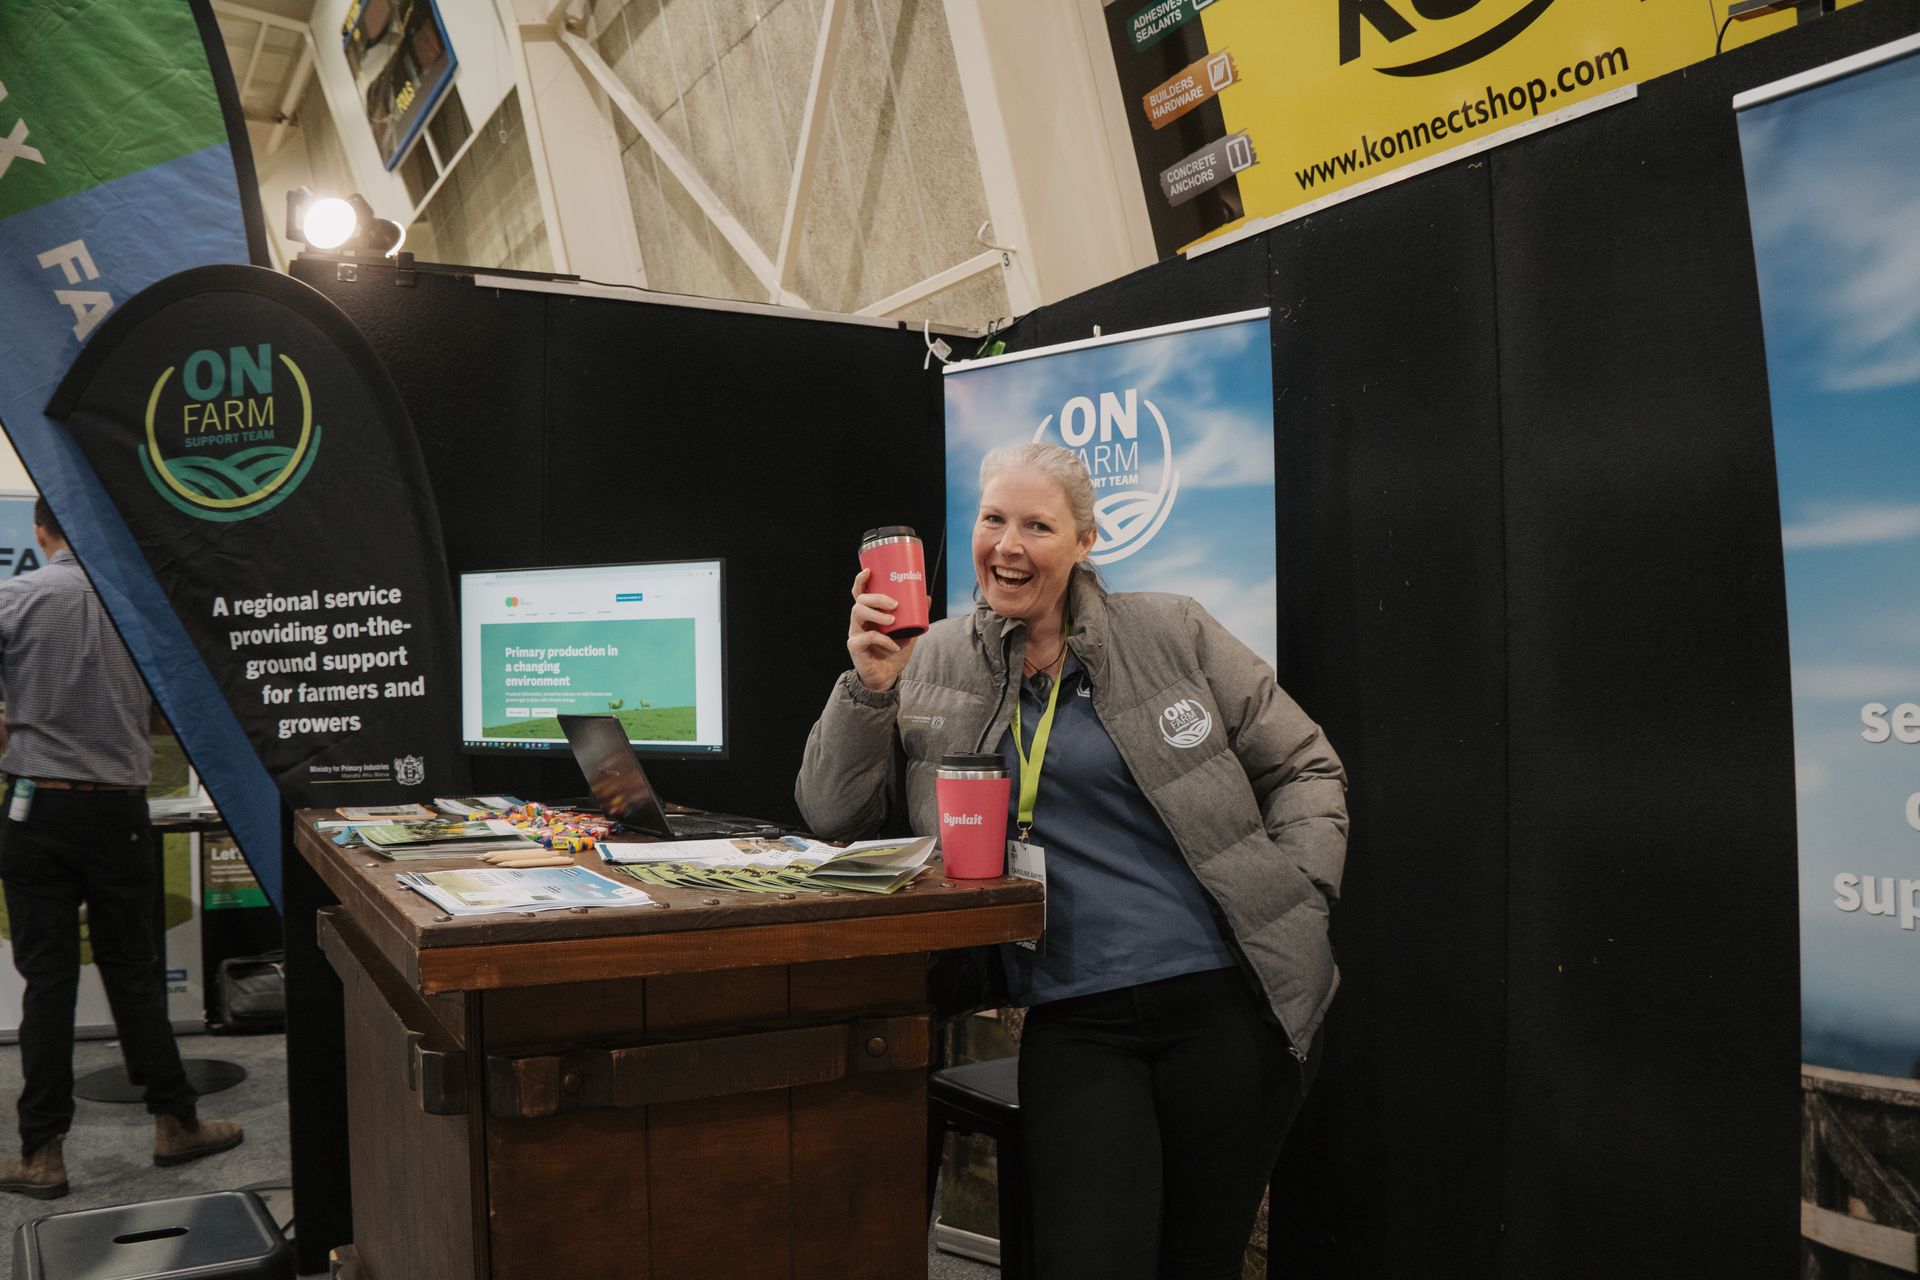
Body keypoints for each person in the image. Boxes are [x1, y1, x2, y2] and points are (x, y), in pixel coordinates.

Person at [797, 443, 1348, 1279]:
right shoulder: (932, 657)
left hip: (1228, 1001)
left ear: (1086, 541)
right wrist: (870, 685)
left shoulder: (1171, 630)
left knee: (1199, 1261)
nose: (1008, 545)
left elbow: (1304, 765)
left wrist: (1296, 891)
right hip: (1075, 1013)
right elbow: (831, 811)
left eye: (1038, 526)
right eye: (993, 519)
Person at [0, 498, 242, 1199]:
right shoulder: (140, 605)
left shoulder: (13, 598)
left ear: (40, 531)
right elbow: (174, 716)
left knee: (48, 983)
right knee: (135, 974)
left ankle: (42, 1154)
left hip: (34, 806)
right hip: (118, 812)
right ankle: (175, 1124)